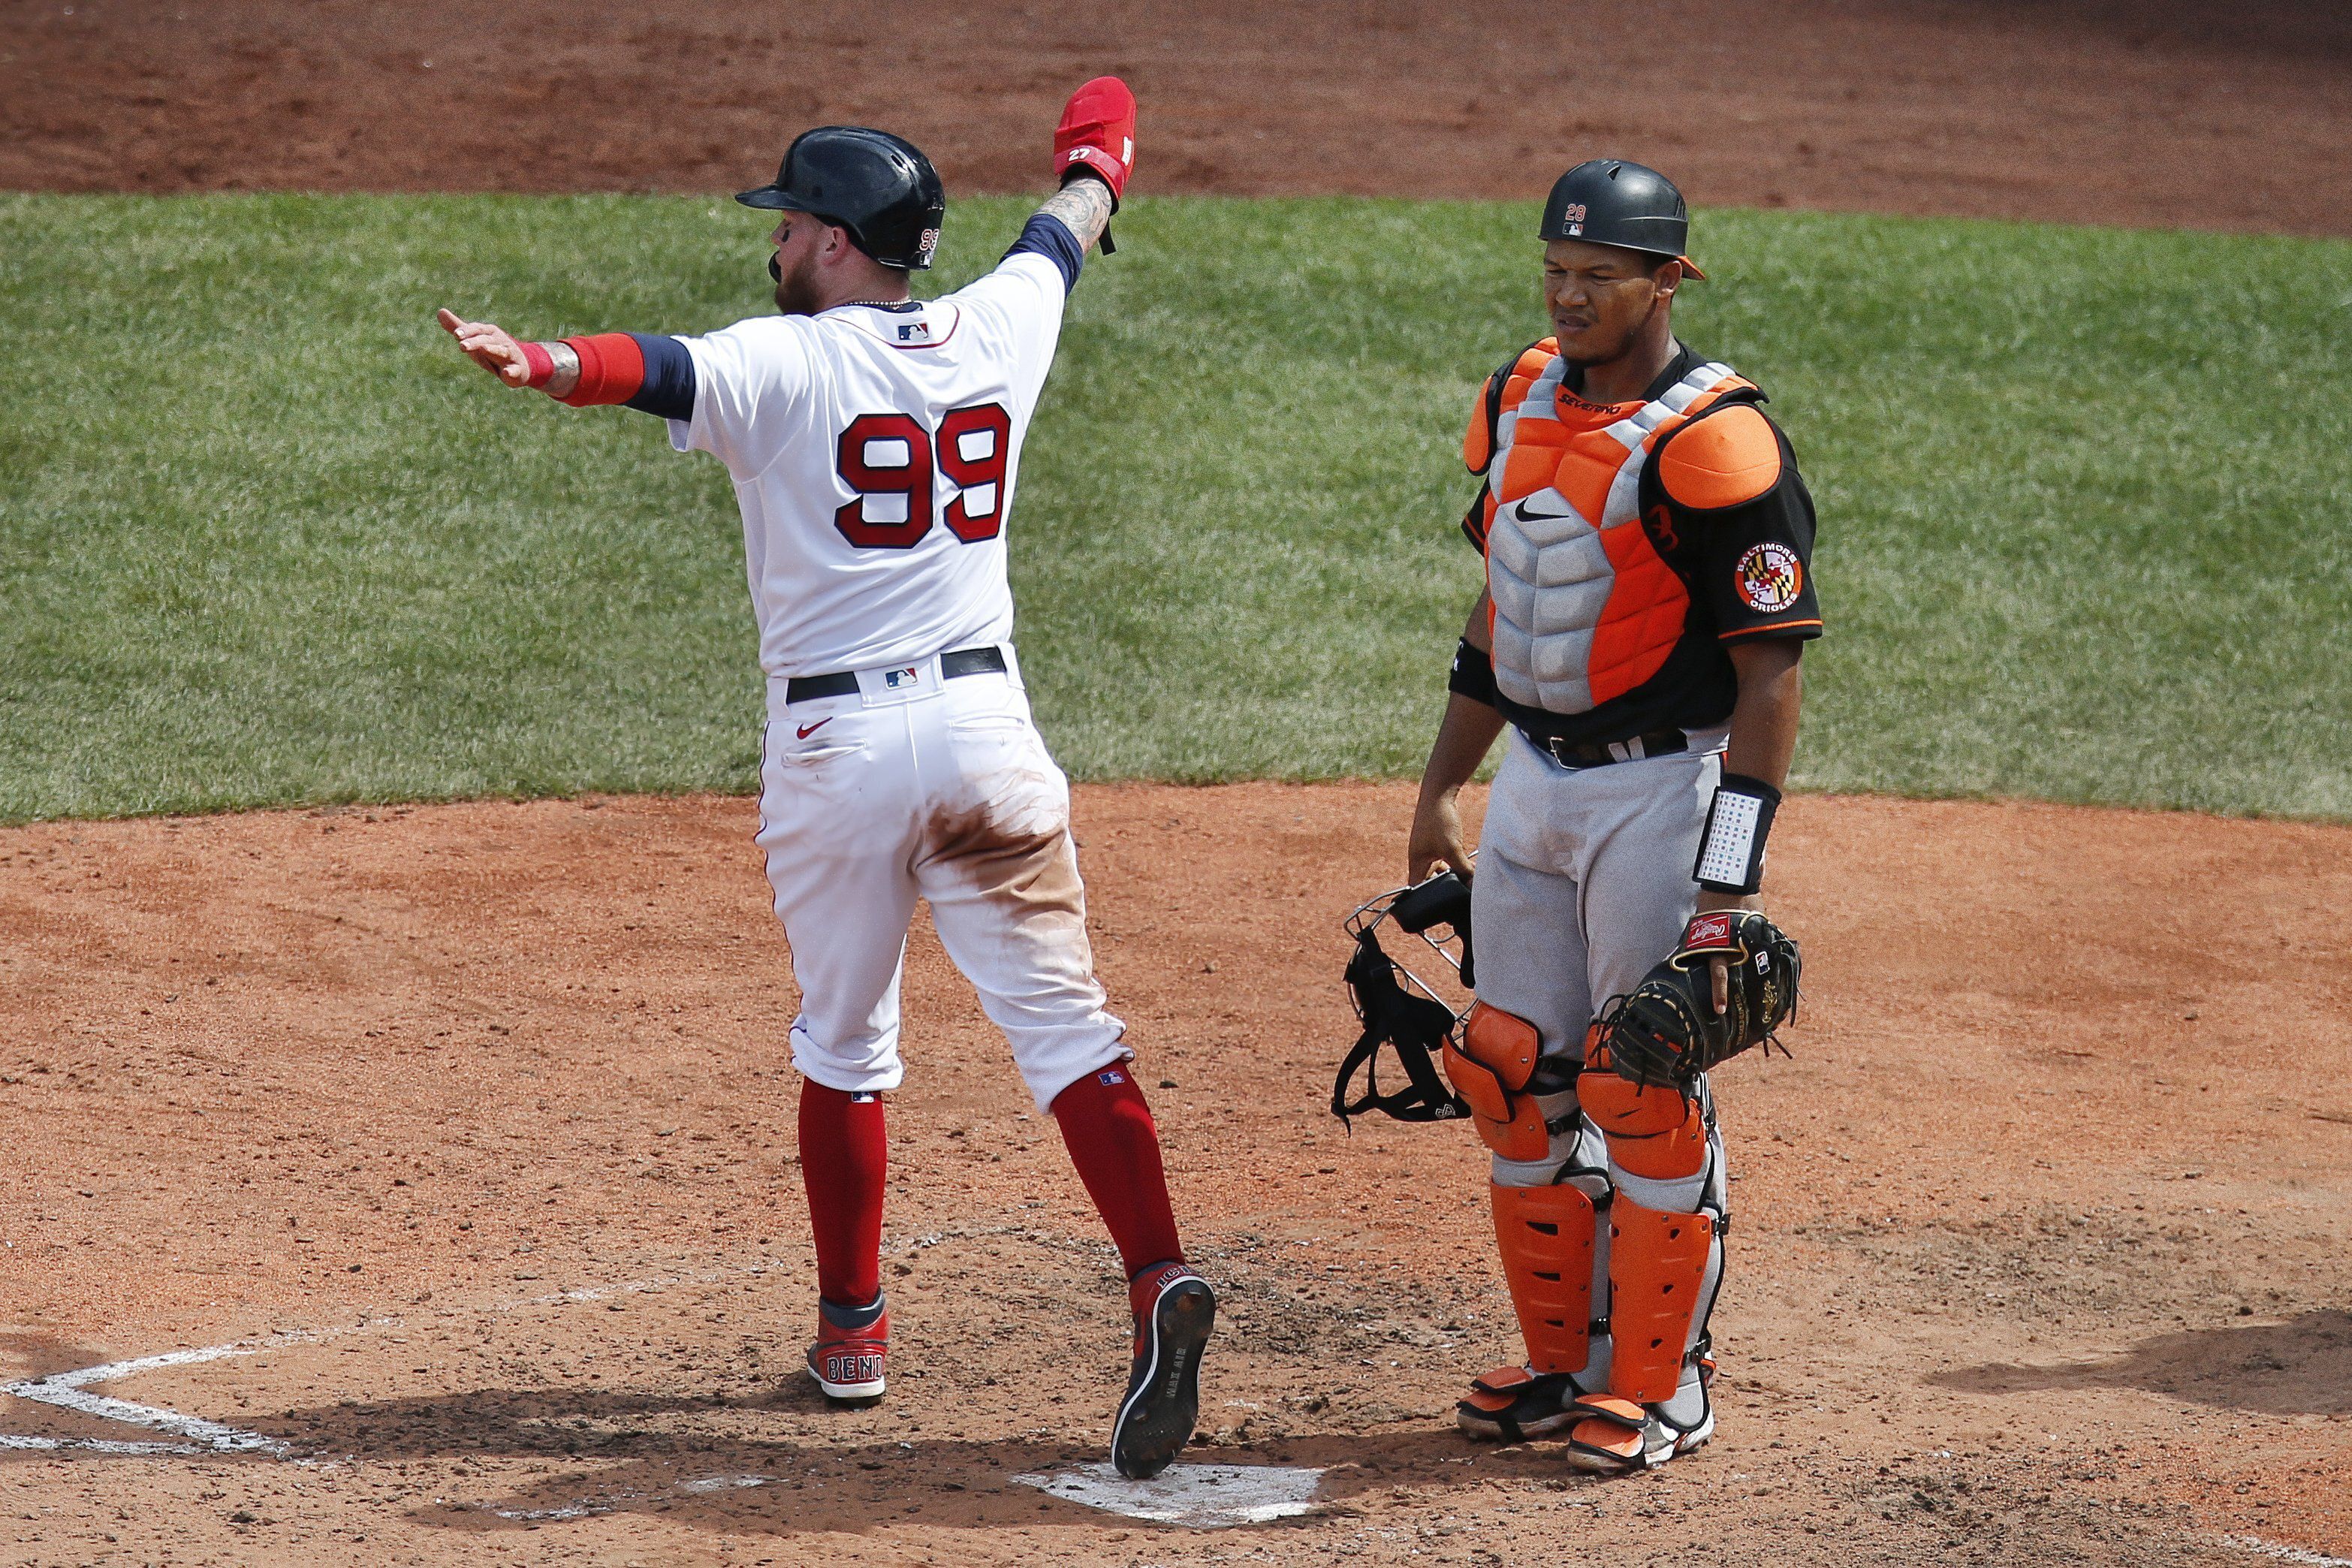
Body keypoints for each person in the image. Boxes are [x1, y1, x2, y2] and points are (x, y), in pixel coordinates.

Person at [434, 80, 1214, 1482]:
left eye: (791, 223)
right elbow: (1069, 226)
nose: (776, 245)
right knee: (1068, 1031)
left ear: (839, 243)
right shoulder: (1001, 322)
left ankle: (855, 1331)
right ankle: (1158, 1277)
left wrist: (535, 358)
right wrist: (1098, 151)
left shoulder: (783, 364)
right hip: (991, 740)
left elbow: (645, 367)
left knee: (846, 1044)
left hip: (835, 757)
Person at [1407, 158, 1821, 1472]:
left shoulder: (1720, 442)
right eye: (1556, 271)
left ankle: (1663, 1383)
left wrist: (1728, 887)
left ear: (1667, 280)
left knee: (1641, 1084)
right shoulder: (1517, 402)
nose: (1572, 294)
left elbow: (1771, 677)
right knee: (1513, 1071)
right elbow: (1506, 615)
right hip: (1535, 775)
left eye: (1600, 275)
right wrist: (1440, 785)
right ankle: (1561, 1364)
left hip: (1663, 784)